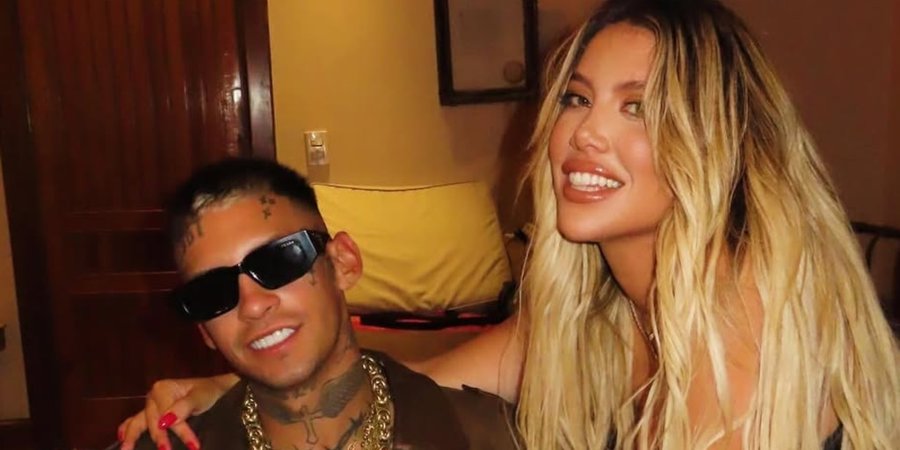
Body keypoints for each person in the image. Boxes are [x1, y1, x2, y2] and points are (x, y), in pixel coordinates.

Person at [119, 0, 900, 448]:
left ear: (724, 139)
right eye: (577, 98)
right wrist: (237, 384)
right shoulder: (602, 317)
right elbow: (412, 381)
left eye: (638, 106)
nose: (585, 133)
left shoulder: (747, 325)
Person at [114, 158, 517, 450]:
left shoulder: (498, 436)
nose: (252, 305)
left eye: (278, 261)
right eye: (212, 292)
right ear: (204, 329)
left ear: (343, 263)